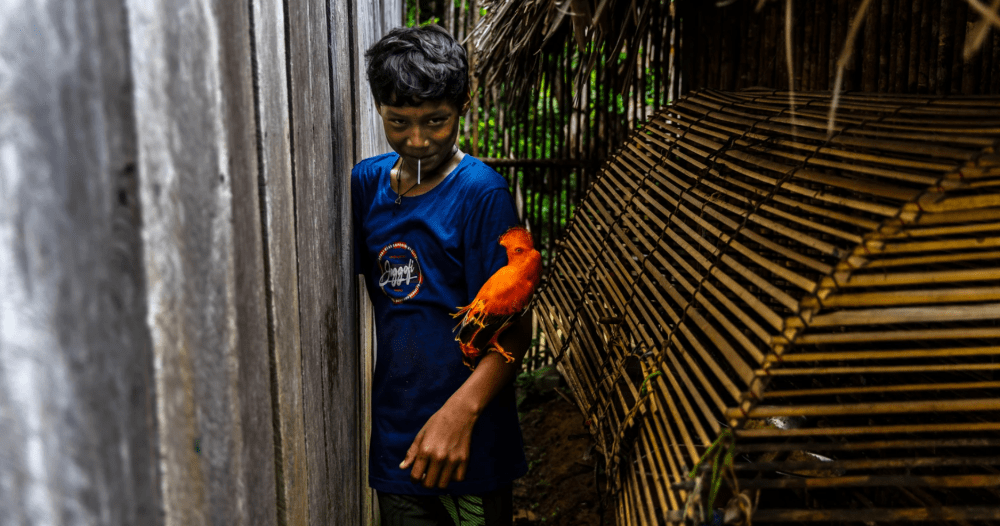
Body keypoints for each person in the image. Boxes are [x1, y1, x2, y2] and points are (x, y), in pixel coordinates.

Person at [352, 24, 530, 526]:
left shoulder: (482, 196)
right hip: (398, 446)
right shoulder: (367, 185)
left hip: (467, 450)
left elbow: (517, 327)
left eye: (436, 120)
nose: (418, 140)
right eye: (398, 122)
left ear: (463, 105)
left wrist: (460, 414)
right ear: (379, 110)